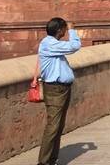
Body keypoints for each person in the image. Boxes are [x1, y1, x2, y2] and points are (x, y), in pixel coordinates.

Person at [37, 17, 82, 165]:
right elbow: (74, 46)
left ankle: (52, 159)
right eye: (64, 29)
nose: (65, 31)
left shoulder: (54, 44)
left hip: (61, 88)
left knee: (58, 125)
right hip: (55, 89)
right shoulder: (49, 44)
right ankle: (43, 162)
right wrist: (73, 30)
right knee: (53, 126)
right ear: (59, 30)